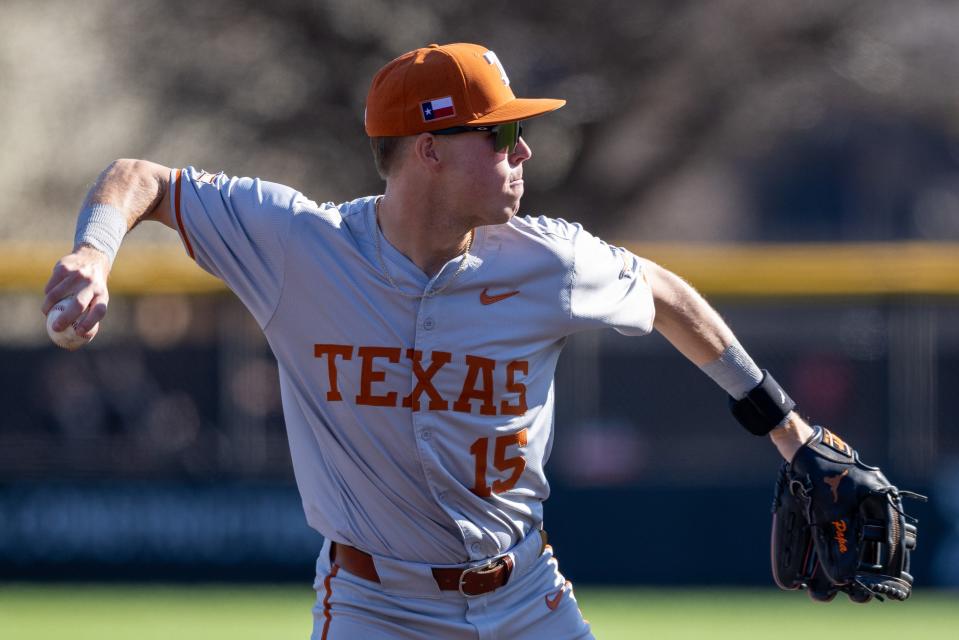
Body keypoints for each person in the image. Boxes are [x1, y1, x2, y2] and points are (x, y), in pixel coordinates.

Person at [44, 43, 816, 639]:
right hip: (374, 607)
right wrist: (93, 253)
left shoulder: (549, 260)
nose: (524, 151)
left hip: (525, 598)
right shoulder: (297, 245)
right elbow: (138, 177)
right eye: (502, 131)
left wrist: (792, 433)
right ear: (429, 147)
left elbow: (667, 296)